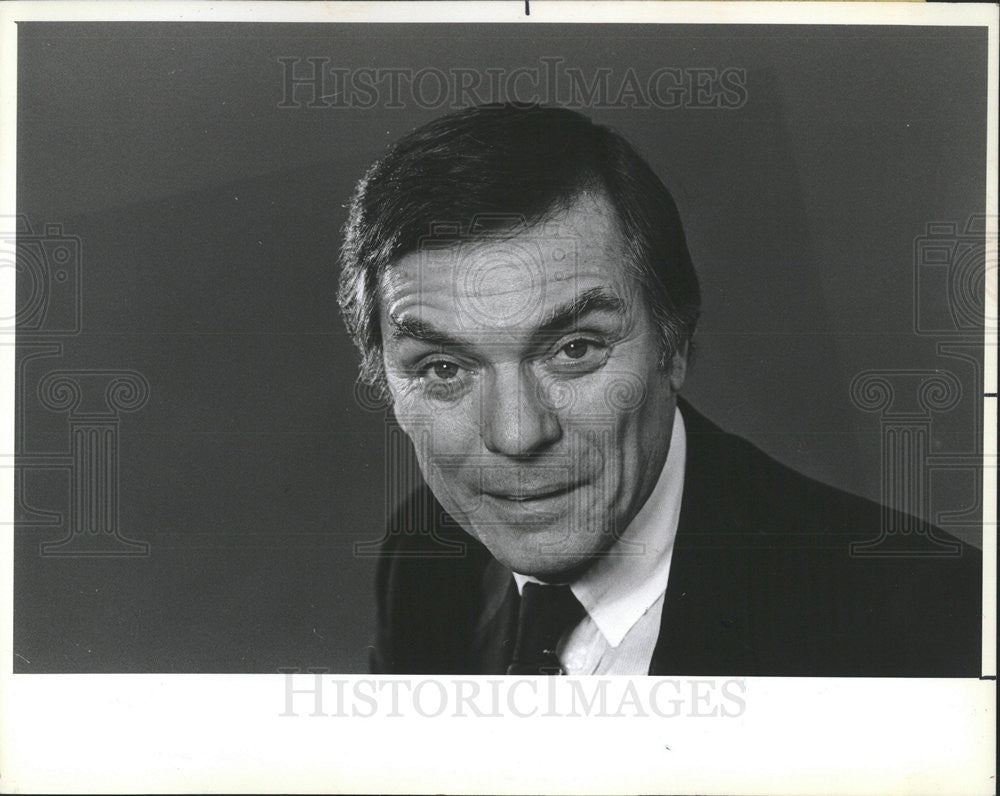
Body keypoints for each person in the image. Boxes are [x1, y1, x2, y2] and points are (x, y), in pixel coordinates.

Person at [337, 103, 981, 676]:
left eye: (574, 349)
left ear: (674, 347)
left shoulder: (929, 620)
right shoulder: (423, 553)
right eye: (444, 368)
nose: (518, 434)